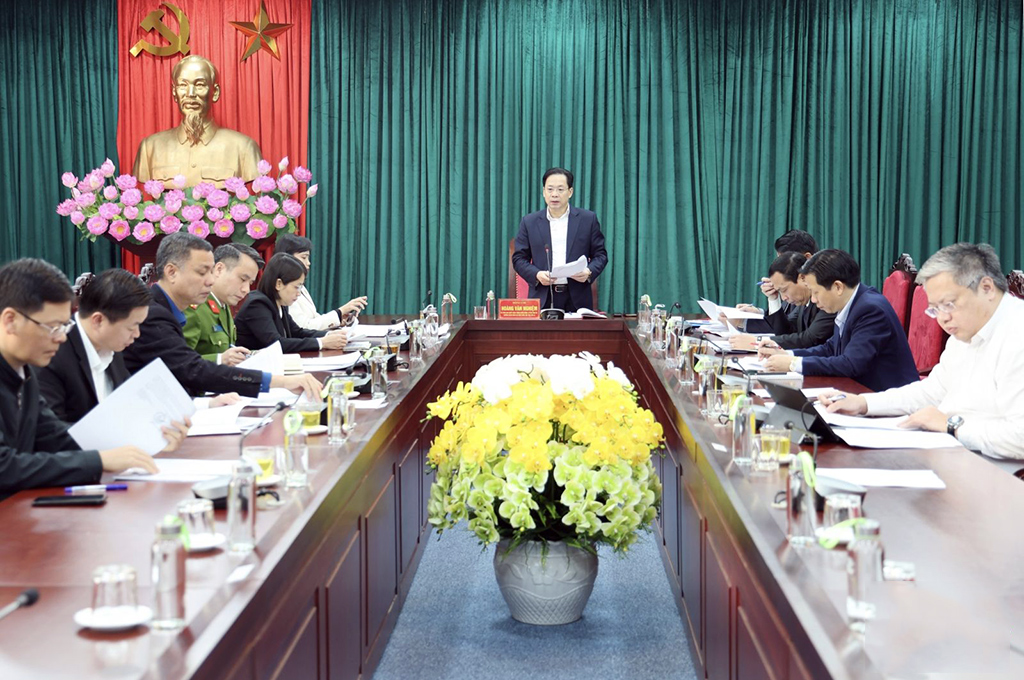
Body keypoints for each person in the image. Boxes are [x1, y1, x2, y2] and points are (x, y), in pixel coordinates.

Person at [0, 259, 186, 500]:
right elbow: (5, 467)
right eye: (53, 327)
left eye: (64, 327)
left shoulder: (22, 372)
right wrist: (98, 461)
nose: (61, 338)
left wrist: (142, 444)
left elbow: (54, 436)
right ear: (10, 320)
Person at [821, 243, 1024, 459]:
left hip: (993, 468)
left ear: (987, 288)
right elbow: (931, 392)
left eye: (949, 304)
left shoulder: (1016, 334)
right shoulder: (965, 331)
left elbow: (1019, 437)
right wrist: (863, 403)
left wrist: (951, 426)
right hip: (950, 450)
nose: (943, 318)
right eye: (935, 309)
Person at [122, 233, 322, 398]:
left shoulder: (168, 309)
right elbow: (193, 369)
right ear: (172, 272)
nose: (210, 281)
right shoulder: (152, 314)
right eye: (202, 272)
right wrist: (279, 382)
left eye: (211, 272)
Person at [758, 249, 918, 391]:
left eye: (816, 292)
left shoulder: (870, 310)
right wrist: (787, 354)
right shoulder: (853, 303)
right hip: (860, 391)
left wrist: (793, 363)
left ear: (838, 287)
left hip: (887, 398)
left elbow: (851, 364)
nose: (813, 299)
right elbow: (830, 348)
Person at [132, 55, 262, 187]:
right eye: (183, 85)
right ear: (174, 92)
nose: (191, 93)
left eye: (200, 85)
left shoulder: (244, 148)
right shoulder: (150, 148)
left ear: (215, 92)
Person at [512, 167, 608, 313]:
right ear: (544, 192)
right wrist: (536, 274)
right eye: (550, 189)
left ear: (570, 192)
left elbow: (600, 255)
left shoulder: (587, 219)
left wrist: (589, 272)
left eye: (560, 189)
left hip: (577, 299)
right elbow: (519, 259)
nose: (554, 194)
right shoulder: (529, 222)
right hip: (542, 297)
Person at [234, 253, 349, 352]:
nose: (299, 293)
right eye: (296, 287)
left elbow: (297, 332)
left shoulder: (280, 303)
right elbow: (276, 343)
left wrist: (330, 335)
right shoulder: (257, 305)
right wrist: (322, 343)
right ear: (279, 284)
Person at [730, 252, 836, 350]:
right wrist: (773, 299)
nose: (784, 298)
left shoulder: (827, 299)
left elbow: (809, 339)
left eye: (784, 290)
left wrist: (757, 342)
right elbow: (785, 332)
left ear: (802, 278)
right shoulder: (803, 302)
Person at [183, 243, 262, 366]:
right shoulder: (194, 308)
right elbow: (178, 362)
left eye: (250, 283)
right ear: (219, 269)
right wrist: (219, 359)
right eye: (242, 279)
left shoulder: (223, 306)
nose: (246, 290)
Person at [274, 233, 367, 331]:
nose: (308, 263)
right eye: (304, 257)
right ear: (287, 258)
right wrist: (340, 311)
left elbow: (314, 318)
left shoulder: (300, 286)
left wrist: (339, 319)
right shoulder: (285, 289)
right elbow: (303, 327)